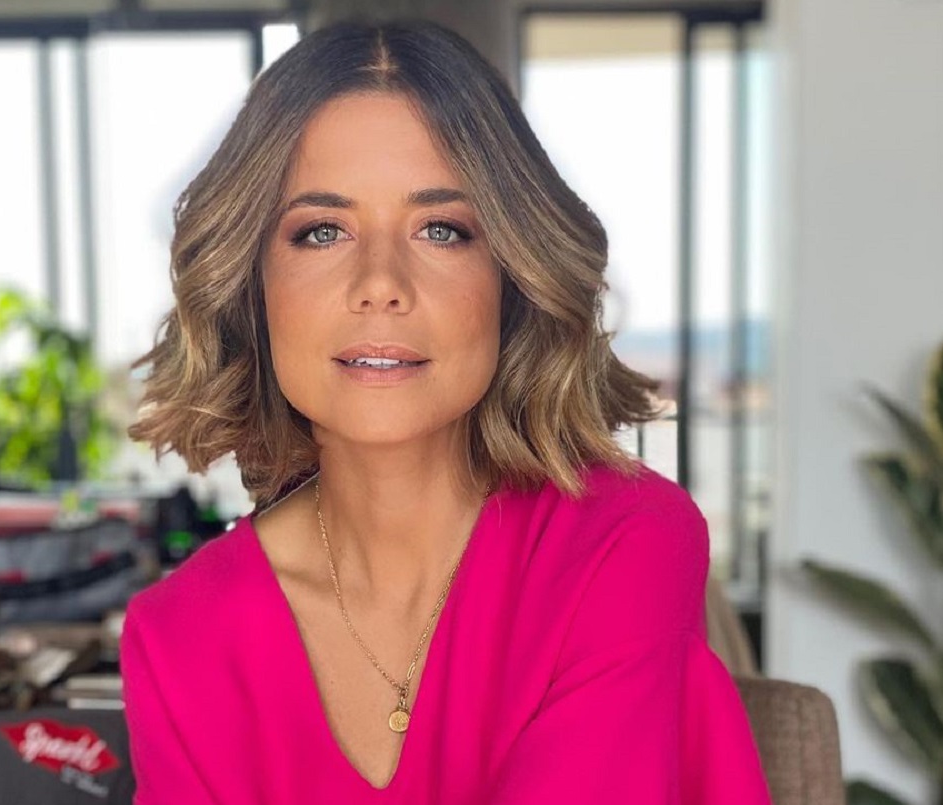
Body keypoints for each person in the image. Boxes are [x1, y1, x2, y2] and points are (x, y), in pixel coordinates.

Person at [120, 19, 772, 804]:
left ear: (513, 275)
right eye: (322, 231)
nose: (381, 283)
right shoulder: (179, 636)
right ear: (252, 286)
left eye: (442, 229)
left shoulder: (624, 540)